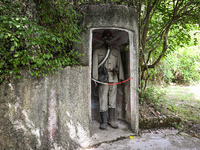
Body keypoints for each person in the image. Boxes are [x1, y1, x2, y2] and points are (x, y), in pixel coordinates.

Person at [92, 29, 124, 130]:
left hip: (113, 78)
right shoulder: (97, 51)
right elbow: (95, 66)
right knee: (103, 99)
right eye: (106, 38)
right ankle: (104, 121)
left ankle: (112, 119)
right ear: (103, 39)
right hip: (102, 79)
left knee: (112, 100)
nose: (108, 40)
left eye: (109, 38)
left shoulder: (116, 51)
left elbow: (120, 65)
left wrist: (120, 75)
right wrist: (95, 79)